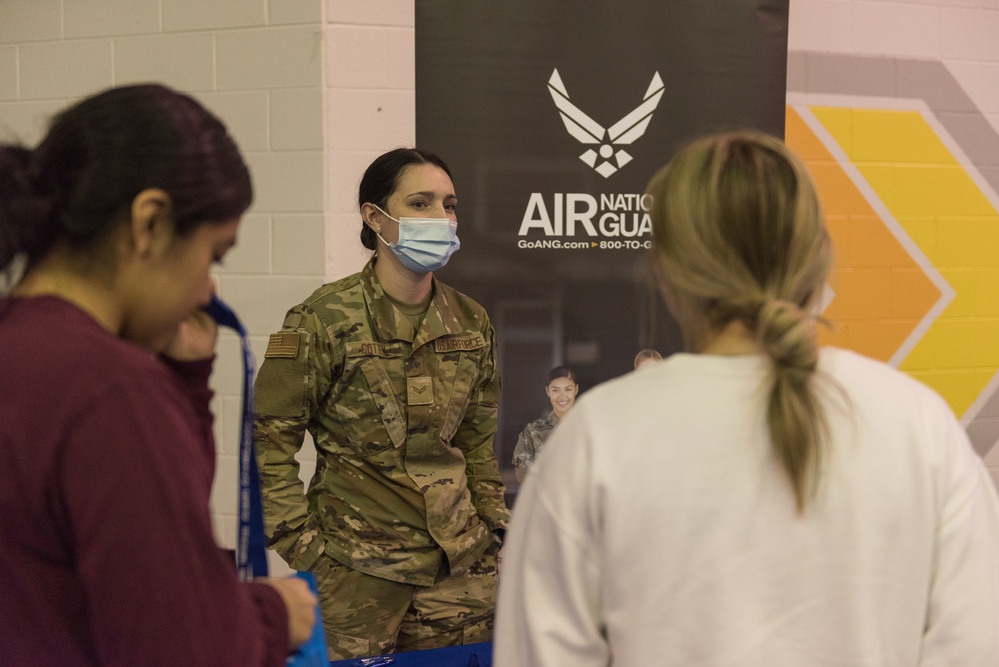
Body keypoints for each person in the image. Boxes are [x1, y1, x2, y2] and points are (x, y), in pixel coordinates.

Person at [494, 131, 999, 665]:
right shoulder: (918, 425)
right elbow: (974, 648)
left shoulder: (592, 441)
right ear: (818, 260)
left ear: (665, 275)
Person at [0, 84, 317, 667]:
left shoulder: (24, 348)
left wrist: (188, 381)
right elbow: (184, 647)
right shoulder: (107, 390)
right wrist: (274, 616)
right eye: (214, 256)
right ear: (149, 223)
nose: (206, 290)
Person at [254, 147, 510, 660]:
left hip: (460, 573)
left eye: (449, 204)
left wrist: (495, 532)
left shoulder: (471, 321)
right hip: (355, 574)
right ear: (375, 217)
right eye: (420, 203)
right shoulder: (322, 319)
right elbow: (268, 445)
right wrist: (308, 551)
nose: (441, 218)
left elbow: (477, 446)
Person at [511, 366, 578, 482]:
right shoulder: (532, 432)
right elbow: (523, 477)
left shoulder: (592, 427)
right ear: (548, 391)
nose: (562, 396)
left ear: (576, 389)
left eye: (568, 389)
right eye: (555, 390)